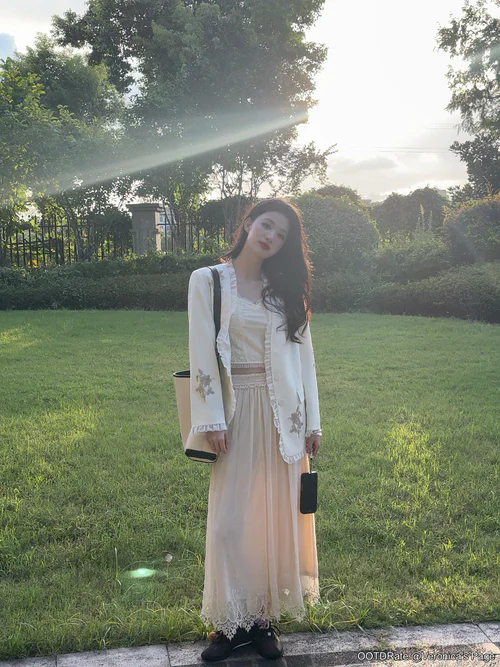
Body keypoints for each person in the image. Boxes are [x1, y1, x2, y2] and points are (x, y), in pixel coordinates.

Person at [187, 198, 322, 663]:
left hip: (284, 416)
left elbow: (304, 359)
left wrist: (313, 423)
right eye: (266, 225)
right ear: (247, 223)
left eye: (282, 234)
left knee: (272, 518)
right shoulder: (208, 280)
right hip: (235, 411)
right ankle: (228, 624)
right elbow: (201, 351)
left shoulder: (283, 290)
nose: (271, 237)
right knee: (230, 523)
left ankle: (263, 620)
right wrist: (211, 419)